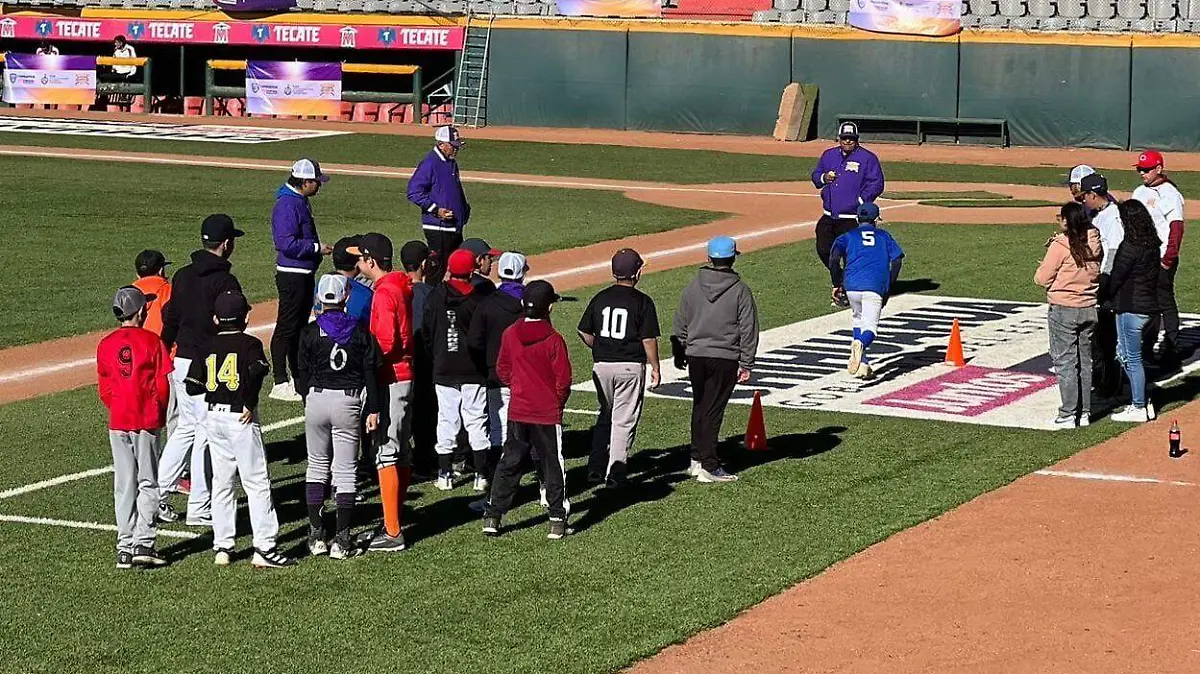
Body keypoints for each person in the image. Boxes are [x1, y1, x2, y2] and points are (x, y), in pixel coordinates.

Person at [184, 291, 294, 568]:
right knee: (256, 482)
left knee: (222, 483)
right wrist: (249, 400)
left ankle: (223, 546)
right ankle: (265, 547)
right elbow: (257, 370)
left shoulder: (206, 345)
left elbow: (192, 385)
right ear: (245, 317)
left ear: (216, 319)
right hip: (240, 420)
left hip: (214, 418)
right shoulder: (250, 344)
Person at [158, 214, 244, 526]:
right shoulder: (225, 281)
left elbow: (171, 319)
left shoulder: (182, 275)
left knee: (186, 429)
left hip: (181, 360)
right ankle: (199, 506)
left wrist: (162, 352)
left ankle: (156, 495)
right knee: (205, 432)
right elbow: (231, 326)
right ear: (226, 244)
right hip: (208, 364)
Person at [297, 274, 383, 560]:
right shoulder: (359, 331)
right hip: (348, 401)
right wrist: (374, 408)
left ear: (320, 299)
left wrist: (308, 399)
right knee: (345, 471)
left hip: (316, 399)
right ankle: (342, 539)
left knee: (316, 466)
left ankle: (316, 535)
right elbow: (371, 371)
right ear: (346, 297)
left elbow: (302, 372)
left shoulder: (309, 332)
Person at [482, 280, 573, 540]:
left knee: (509, 462)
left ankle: (493, 516)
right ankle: (557, 519)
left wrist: (519, 387)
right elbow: (563, 380)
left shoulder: (511, 334)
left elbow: (503, 369)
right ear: (549, 308)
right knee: (552, 464)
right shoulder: (554, 339)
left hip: (519, 410)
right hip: (546, 413)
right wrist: (556, 402)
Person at [348, 234, 417, 552]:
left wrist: (366, 359)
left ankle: (392, 532)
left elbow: (387, 343)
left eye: (360, 258)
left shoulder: (385, 293)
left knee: (386, 454)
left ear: (371, 261)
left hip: (390, 377)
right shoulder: (396, 286)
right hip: (403, 376)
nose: (357, 262)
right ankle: (394, 520)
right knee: (400, 452)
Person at [672, 236, 759, 484]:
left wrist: (681, 351)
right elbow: (748, 328)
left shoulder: (693, 286)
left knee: (700, 406)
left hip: (696, 355)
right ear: (732, 259)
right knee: (713, 410)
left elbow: (680, 323)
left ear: (709, 258)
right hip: (724, 356)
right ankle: (710, 464)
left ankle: (696, 458)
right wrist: (747, 362)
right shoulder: (740, 290)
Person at [97, 286, 172, 569]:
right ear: (141, 311)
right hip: (146, 418)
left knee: (124, 483)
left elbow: (104, 387)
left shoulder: (105, 344)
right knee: (148, 482)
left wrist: (117, 406)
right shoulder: (152, 341)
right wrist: (159, 410)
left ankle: (124, 547)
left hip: (118, 419)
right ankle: (144, 543)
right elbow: (163, 385)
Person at [578, 248, 661, 487]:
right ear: (636, 273)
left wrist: (600, 347)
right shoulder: (642, 301)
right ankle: (615, 472)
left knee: (605, 415)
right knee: (623, 421)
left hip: (602, 367)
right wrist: (655, 367)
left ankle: (595, 467)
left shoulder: (600, 297)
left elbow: (584, 331)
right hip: (629, 368)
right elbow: (648, 339)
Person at [423, 248, 490, 491]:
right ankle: (481, 476)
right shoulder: (480, 298)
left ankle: (445, 474)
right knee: (476, 420)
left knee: (446, 419)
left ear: (449, 270)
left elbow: (427, 333)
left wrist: (438, 356)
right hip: (473, 368)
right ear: (471, 272)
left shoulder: (435, 295)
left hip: (444, 366)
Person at [270, 158, 334, 403]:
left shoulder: (297, 201)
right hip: (292, 274)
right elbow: (285, 243)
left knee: (298, 327)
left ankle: (298, 377)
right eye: (316, 181)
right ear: (305, 182)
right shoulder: (287, 205)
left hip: (302, 273)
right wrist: (316, 248)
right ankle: (279, 381)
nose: (319, 185)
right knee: (287, 326)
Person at [1035, 202, 1102, 428]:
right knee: (1085, 361)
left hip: (1064, 308)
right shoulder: (1094, 240)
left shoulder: (1060, 245)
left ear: (1066, 220)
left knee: (1065, 362)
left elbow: (1042, 279)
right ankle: (1084, 412)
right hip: (1088, 307)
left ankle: (1068, 413)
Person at [810, 121, 885, 306]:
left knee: (849, 255)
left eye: (851, 138)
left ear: (856, 139)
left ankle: (844, 290)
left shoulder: (867, 158)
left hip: (851, 217)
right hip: (830, 214)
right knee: (824, 249)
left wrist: (860, 200)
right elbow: (816, 176)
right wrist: (824, 178)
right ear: (839, 138)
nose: (848, 141)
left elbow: (877, 183)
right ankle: (841, 280)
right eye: (844, 138)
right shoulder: (828, 155)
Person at [828, 203, 904, 381]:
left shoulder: (847, 236)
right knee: (870, 328)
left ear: (857, 219)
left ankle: (863, 364)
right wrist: (889, 285)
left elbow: (834, 259)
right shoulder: (884, 236)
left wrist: (837, 282)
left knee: (858, 321)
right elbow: (897, 260)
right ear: (876, 219)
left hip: (852, 287)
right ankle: (861, 344)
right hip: (874, 286)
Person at [1104, 200, 1162, 423]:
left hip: (1131, 308)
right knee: (1128, 355)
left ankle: (1139, 405)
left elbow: (1116, 276)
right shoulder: (1153, 244)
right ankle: (1142, 399)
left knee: (1130, 357)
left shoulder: (1129, 247)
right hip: (1148, 306)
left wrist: (1105, 295)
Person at [469, 251, 528, 470]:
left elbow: (474, 341)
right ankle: (524, 462)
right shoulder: (531, 303)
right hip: (525, 374)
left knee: (498, 426)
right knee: (527, 422)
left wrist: (485, 363)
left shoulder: (487, 303)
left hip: (495, 373)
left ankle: (499, 470)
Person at [1131, 150, 1186, 366]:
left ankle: (1172, 346)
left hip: (1161, 257)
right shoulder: (1139, 192)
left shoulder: (1170, 194)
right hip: (1142, 259)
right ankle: (1146, 347)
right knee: (1144, 303)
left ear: (1159, 169)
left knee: (1163, 301)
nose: (1142, 173)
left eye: (1146, 169)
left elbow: (1176, 228)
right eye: (1140, 169)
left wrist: (1168, 259)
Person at [1078, 174, 1123, 399]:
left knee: (1107, 335)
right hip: (1101, 281)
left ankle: (1111, 382)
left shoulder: (1112, 217)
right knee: (1100, 335)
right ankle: (1103, 377)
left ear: (1093, 195)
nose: (1083, 200)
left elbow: (1114, 251)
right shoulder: (1101, 214)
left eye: (1084, 196)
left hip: (1108, 284)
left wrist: (1104, 281)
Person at [407, 125, 470, 285]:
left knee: (459, 268)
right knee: (437, 270)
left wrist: (464, 209)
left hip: (453, 226)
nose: (456, 149)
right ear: (441, 144)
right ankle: (430, 298)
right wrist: (436, 210)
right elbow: (414, 192)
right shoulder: (430, 163)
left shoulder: (451, 163)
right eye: (453, 145)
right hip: (439, 228)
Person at [401, 240, 438, 479]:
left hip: (400, 362)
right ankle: (425, 461)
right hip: (425, 362)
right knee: (426, 412)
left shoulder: (394, 290)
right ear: (424, 264)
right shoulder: (431, 294)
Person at [313, 236, 373, 328]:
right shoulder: (364, 293)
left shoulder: (321, 284)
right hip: (354, 335)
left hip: (321, 332)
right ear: (357, 263)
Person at [132, 250, 172, 338]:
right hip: (163, 344)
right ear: (161, 270)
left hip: (135, 344)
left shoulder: (127, 294)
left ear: (137, 275)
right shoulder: (171, 291)